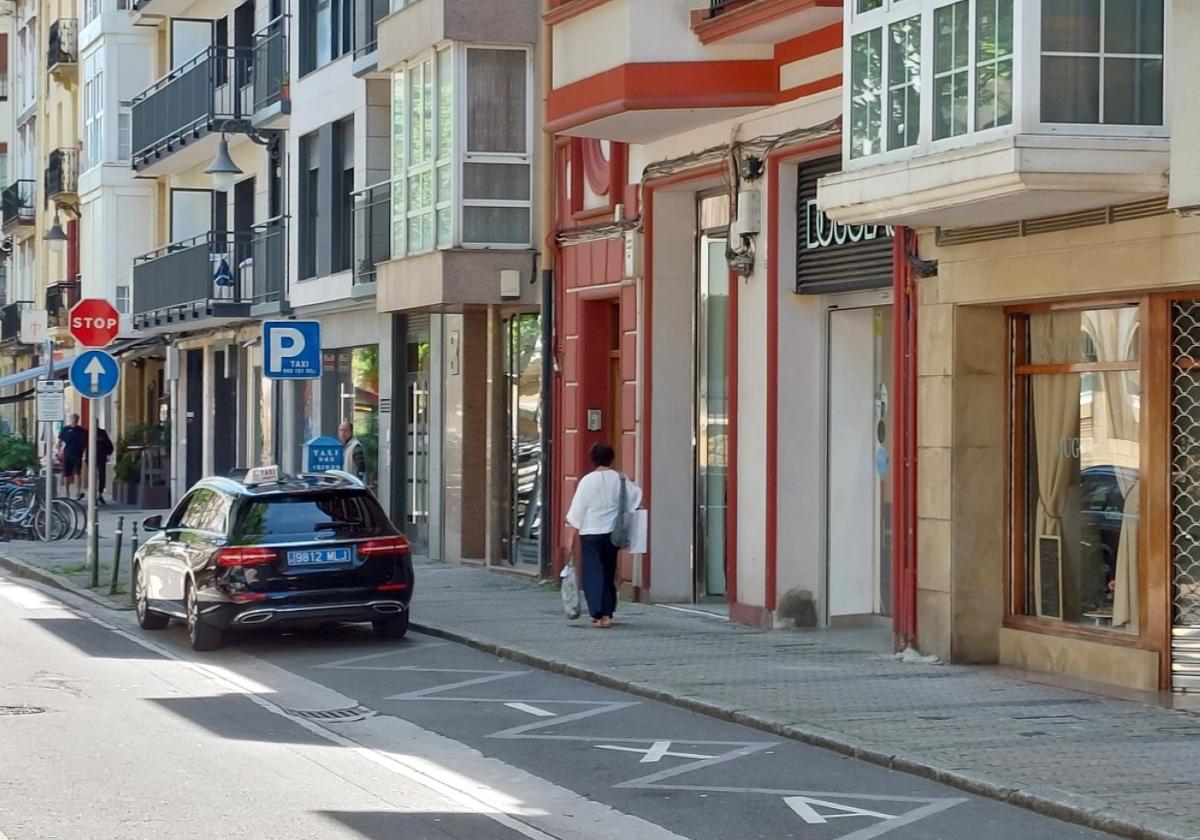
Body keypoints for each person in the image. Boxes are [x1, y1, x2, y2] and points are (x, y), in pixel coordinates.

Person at [562, 442, 642, 629]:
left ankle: (597, 613)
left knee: (593, 572)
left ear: (593, 459)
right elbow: (635, 498)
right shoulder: (621, 479)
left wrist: (570, 536)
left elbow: (577, 511)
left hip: (590, 532)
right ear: (612, 458)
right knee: (608, 572)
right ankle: (608, 613)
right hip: (612, 534)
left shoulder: (587, 481)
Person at [57, 414, 86, 500]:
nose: (74, 421)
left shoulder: (81, 430)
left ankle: (78, 491)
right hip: (67, 454)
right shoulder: (65, 429)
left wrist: (84, 452)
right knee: (67, 474)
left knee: (78, 473)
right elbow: (59, 441)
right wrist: (59, 451)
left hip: (78, 454)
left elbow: (84, 442)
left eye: (76, 420)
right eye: (73, 419)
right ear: (70, 420)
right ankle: (67, 492)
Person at [94, 427, 114, 505]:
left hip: (100, 457)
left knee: (100, 475)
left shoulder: (101, 433)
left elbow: (109, 445)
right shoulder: (89, 433)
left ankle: (99, 493)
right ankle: (98, 493)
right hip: (98, 457)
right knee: (98, 476)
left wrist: (107, 453)